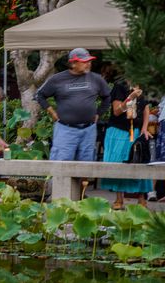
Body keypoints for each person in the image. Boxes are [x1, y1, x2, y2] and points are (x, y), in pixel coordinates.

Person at [37, 48, 111, 162]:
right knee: (61, 165)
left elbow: (107, 97)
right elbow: (40, 95)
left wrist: (99, 113)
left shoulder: (96, 79)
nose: (88, 64)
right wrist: (51, 112)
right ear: (73, 63)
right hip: (65, 130)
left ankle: (82, 180)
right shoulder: (57, 79)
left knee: (86, 166)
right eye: (85, 61)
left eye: (89, 61)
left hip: (89, 130)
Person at [99, 79, 152, 208]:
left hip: (137, 131)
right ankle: (119, 199)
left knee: (140, 160)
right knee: (119, 161)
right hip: (118, 131)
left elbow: (145, 108)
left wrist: (145, 128)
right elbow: (117, 111)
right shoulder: (119, 86)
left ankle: (141, 199)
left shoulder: (143, 85)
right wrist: (130, 97)